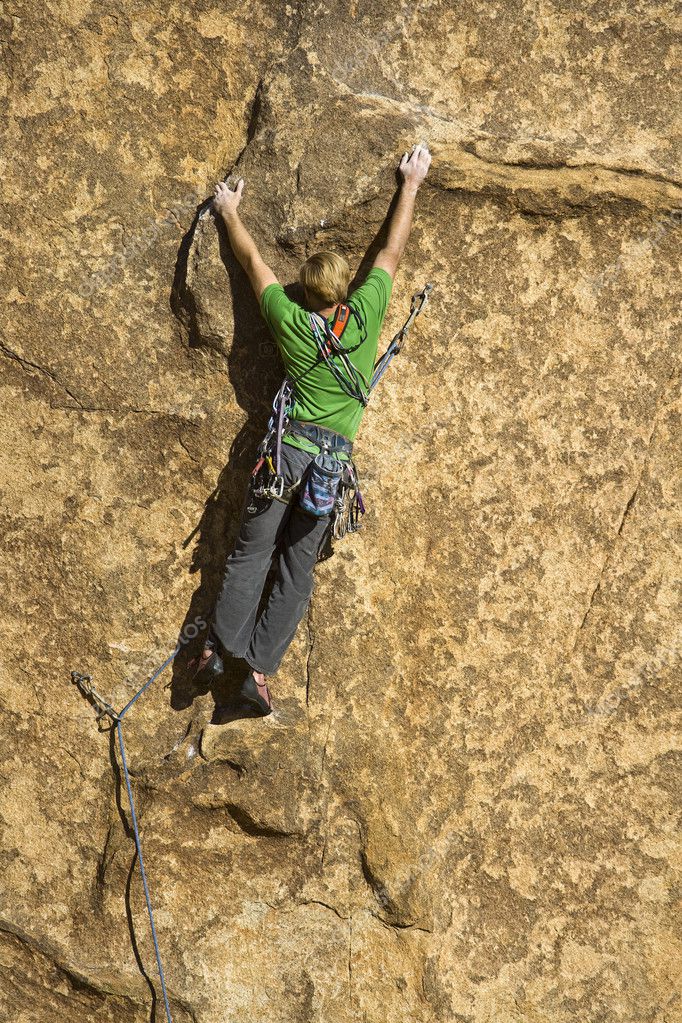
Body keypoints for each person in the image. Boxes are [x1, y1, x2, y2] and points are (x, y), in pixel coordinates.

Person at [192, 142, 432, 716]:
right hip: (329, 469)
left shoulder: (293, 323)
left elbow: (254, 268)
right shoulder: (367, 313)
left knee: (253, 553)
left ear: (306, 291)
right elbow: (391, 252)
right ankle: (255, 674)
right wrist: (411, 183)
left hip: (287, 454)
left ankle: (219, 651)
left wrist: (228, 213)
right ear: (344, 289)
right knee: (297, 568)